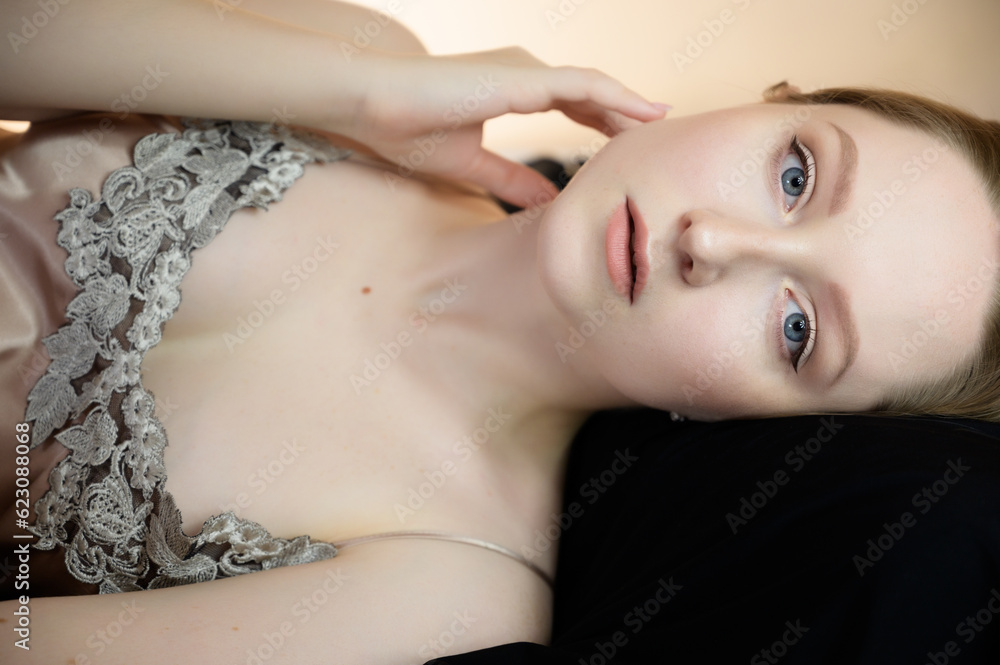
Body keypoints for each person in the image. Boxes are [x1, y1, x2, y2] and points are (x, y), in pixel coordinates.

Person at [1, 0, 998, 663]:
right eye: (793, 176)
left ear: (772, 422)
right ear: (765, 104)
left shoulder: (453, 584)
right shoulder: (371, 67)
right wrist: (350, 90)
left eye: (794, 327)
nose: (713, 243)